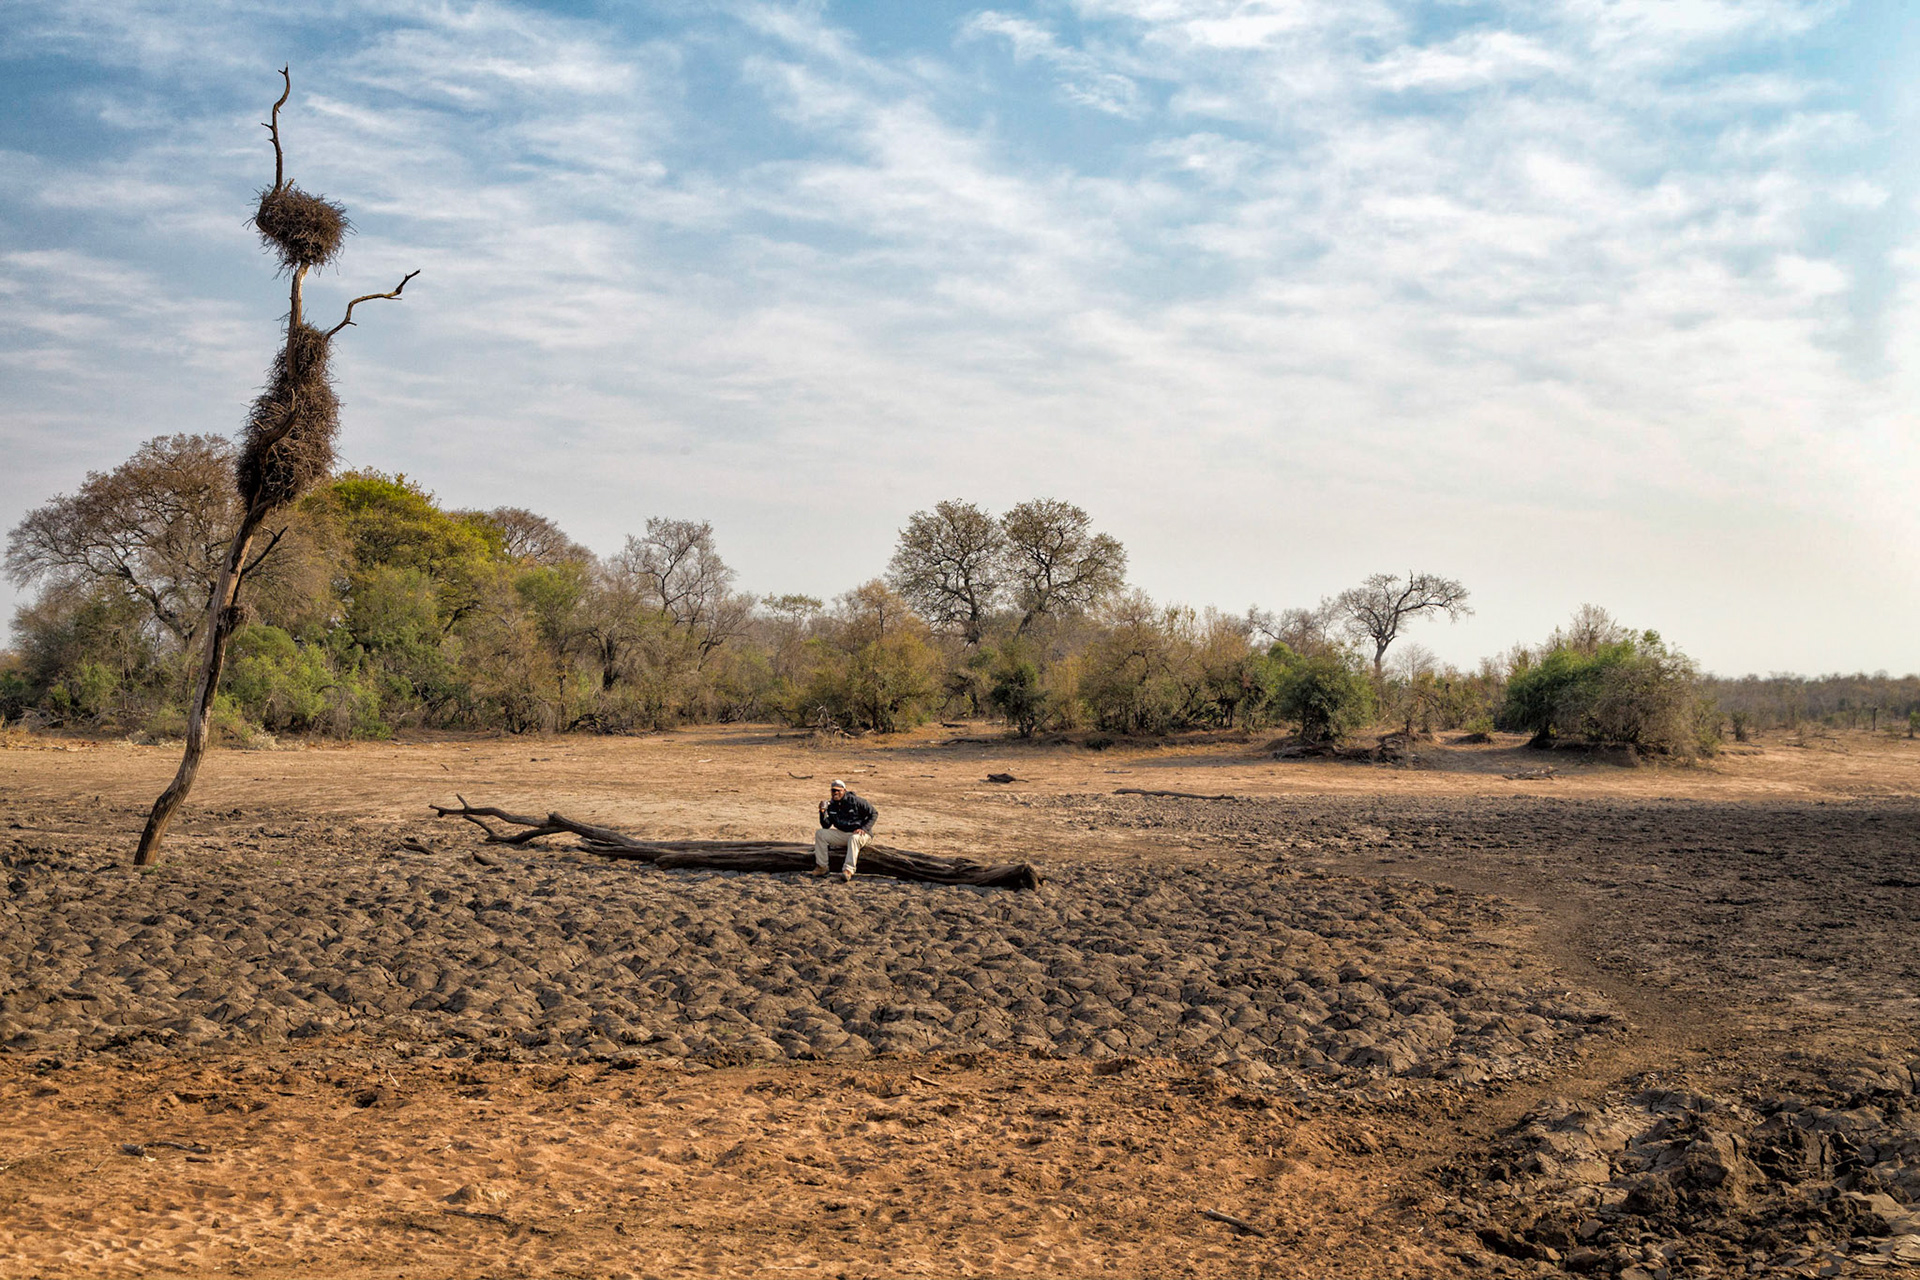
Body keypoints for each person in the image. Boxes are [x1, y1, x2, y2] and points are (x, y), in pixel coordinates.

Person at [812, 779, 877, 882]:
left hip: (861, 834)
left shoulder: (856, 801)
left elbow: (873, 813)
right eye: (833, 790)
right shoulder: (831, 805)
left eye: (838, 790)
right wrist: (822, 812)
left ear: (844, 790)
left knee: (854, 838)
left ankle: (848, 870)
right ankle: (822, 867)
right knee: (820, 834)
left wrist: (864, 828)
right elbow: (826, 826)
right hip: (844, 834)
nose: (835, 793)